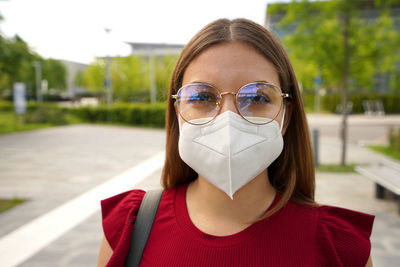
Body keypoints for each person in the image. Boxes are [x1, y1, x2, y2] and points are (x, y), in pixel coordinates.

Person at [97, 18, 374, 267]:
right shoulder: (128, 228)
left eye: (257, 97)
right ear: (177, 112)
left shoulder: (340, 247)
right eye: (202, 97)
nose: (227, 117)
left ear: (285, 117)